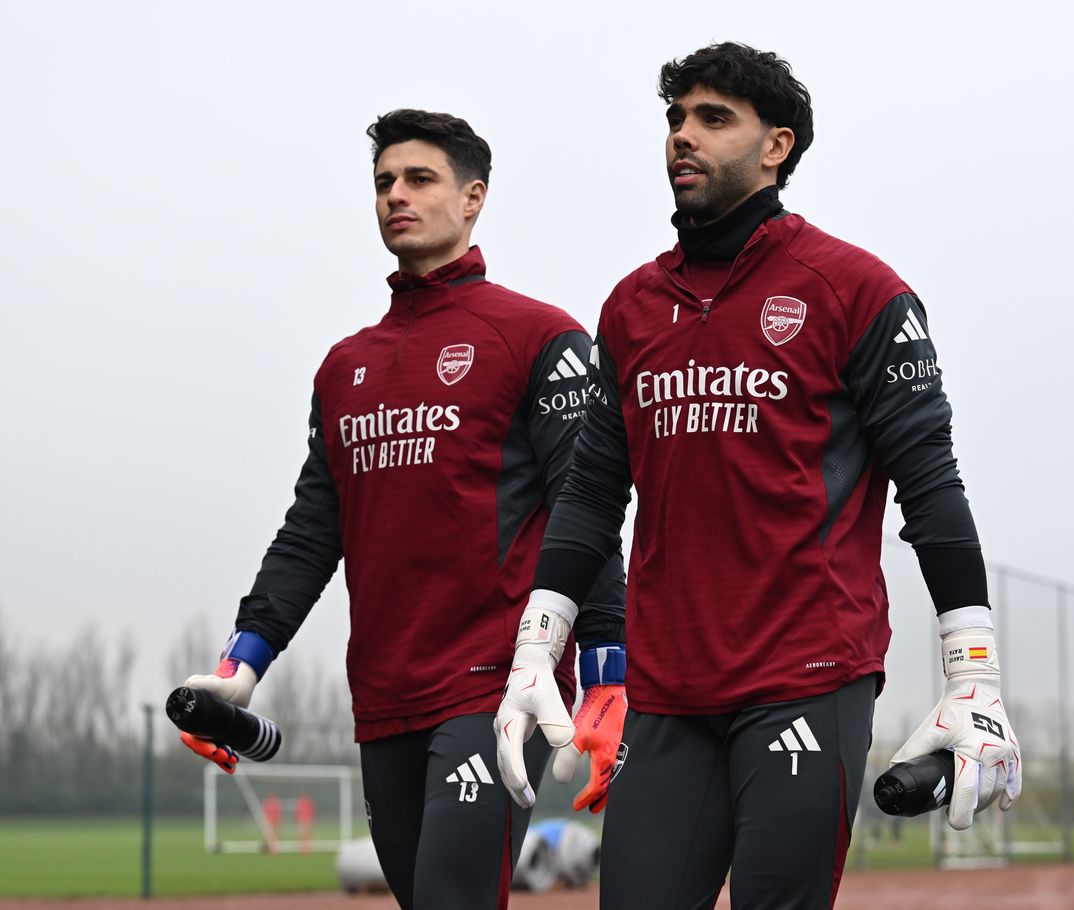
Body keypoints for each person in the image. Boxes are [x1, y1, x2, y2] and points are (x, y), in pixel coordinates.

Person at [495, 43, 1022, 909]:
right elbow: (591, 495)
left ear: (776, 146)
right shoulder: (630, 308)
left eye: (712, 118)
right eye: (674, 119)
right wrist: (536, 647)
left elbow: (931, 488)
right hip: (667, 691)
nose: (682, 137)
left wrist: (975, 675)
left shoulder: (858, 290)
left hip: (807, 676)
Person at [179, 108, 625, 910]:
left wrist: (605, 664)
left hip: (492, 684)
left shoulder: (541, 337)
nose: (396, 196)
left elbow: (583, 505)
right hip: (382, 692)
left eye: (419, 179)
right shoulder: (346, 366)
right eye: (383, 182)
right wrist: (242, 660)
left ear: (473, 198)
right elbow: (314, 530)